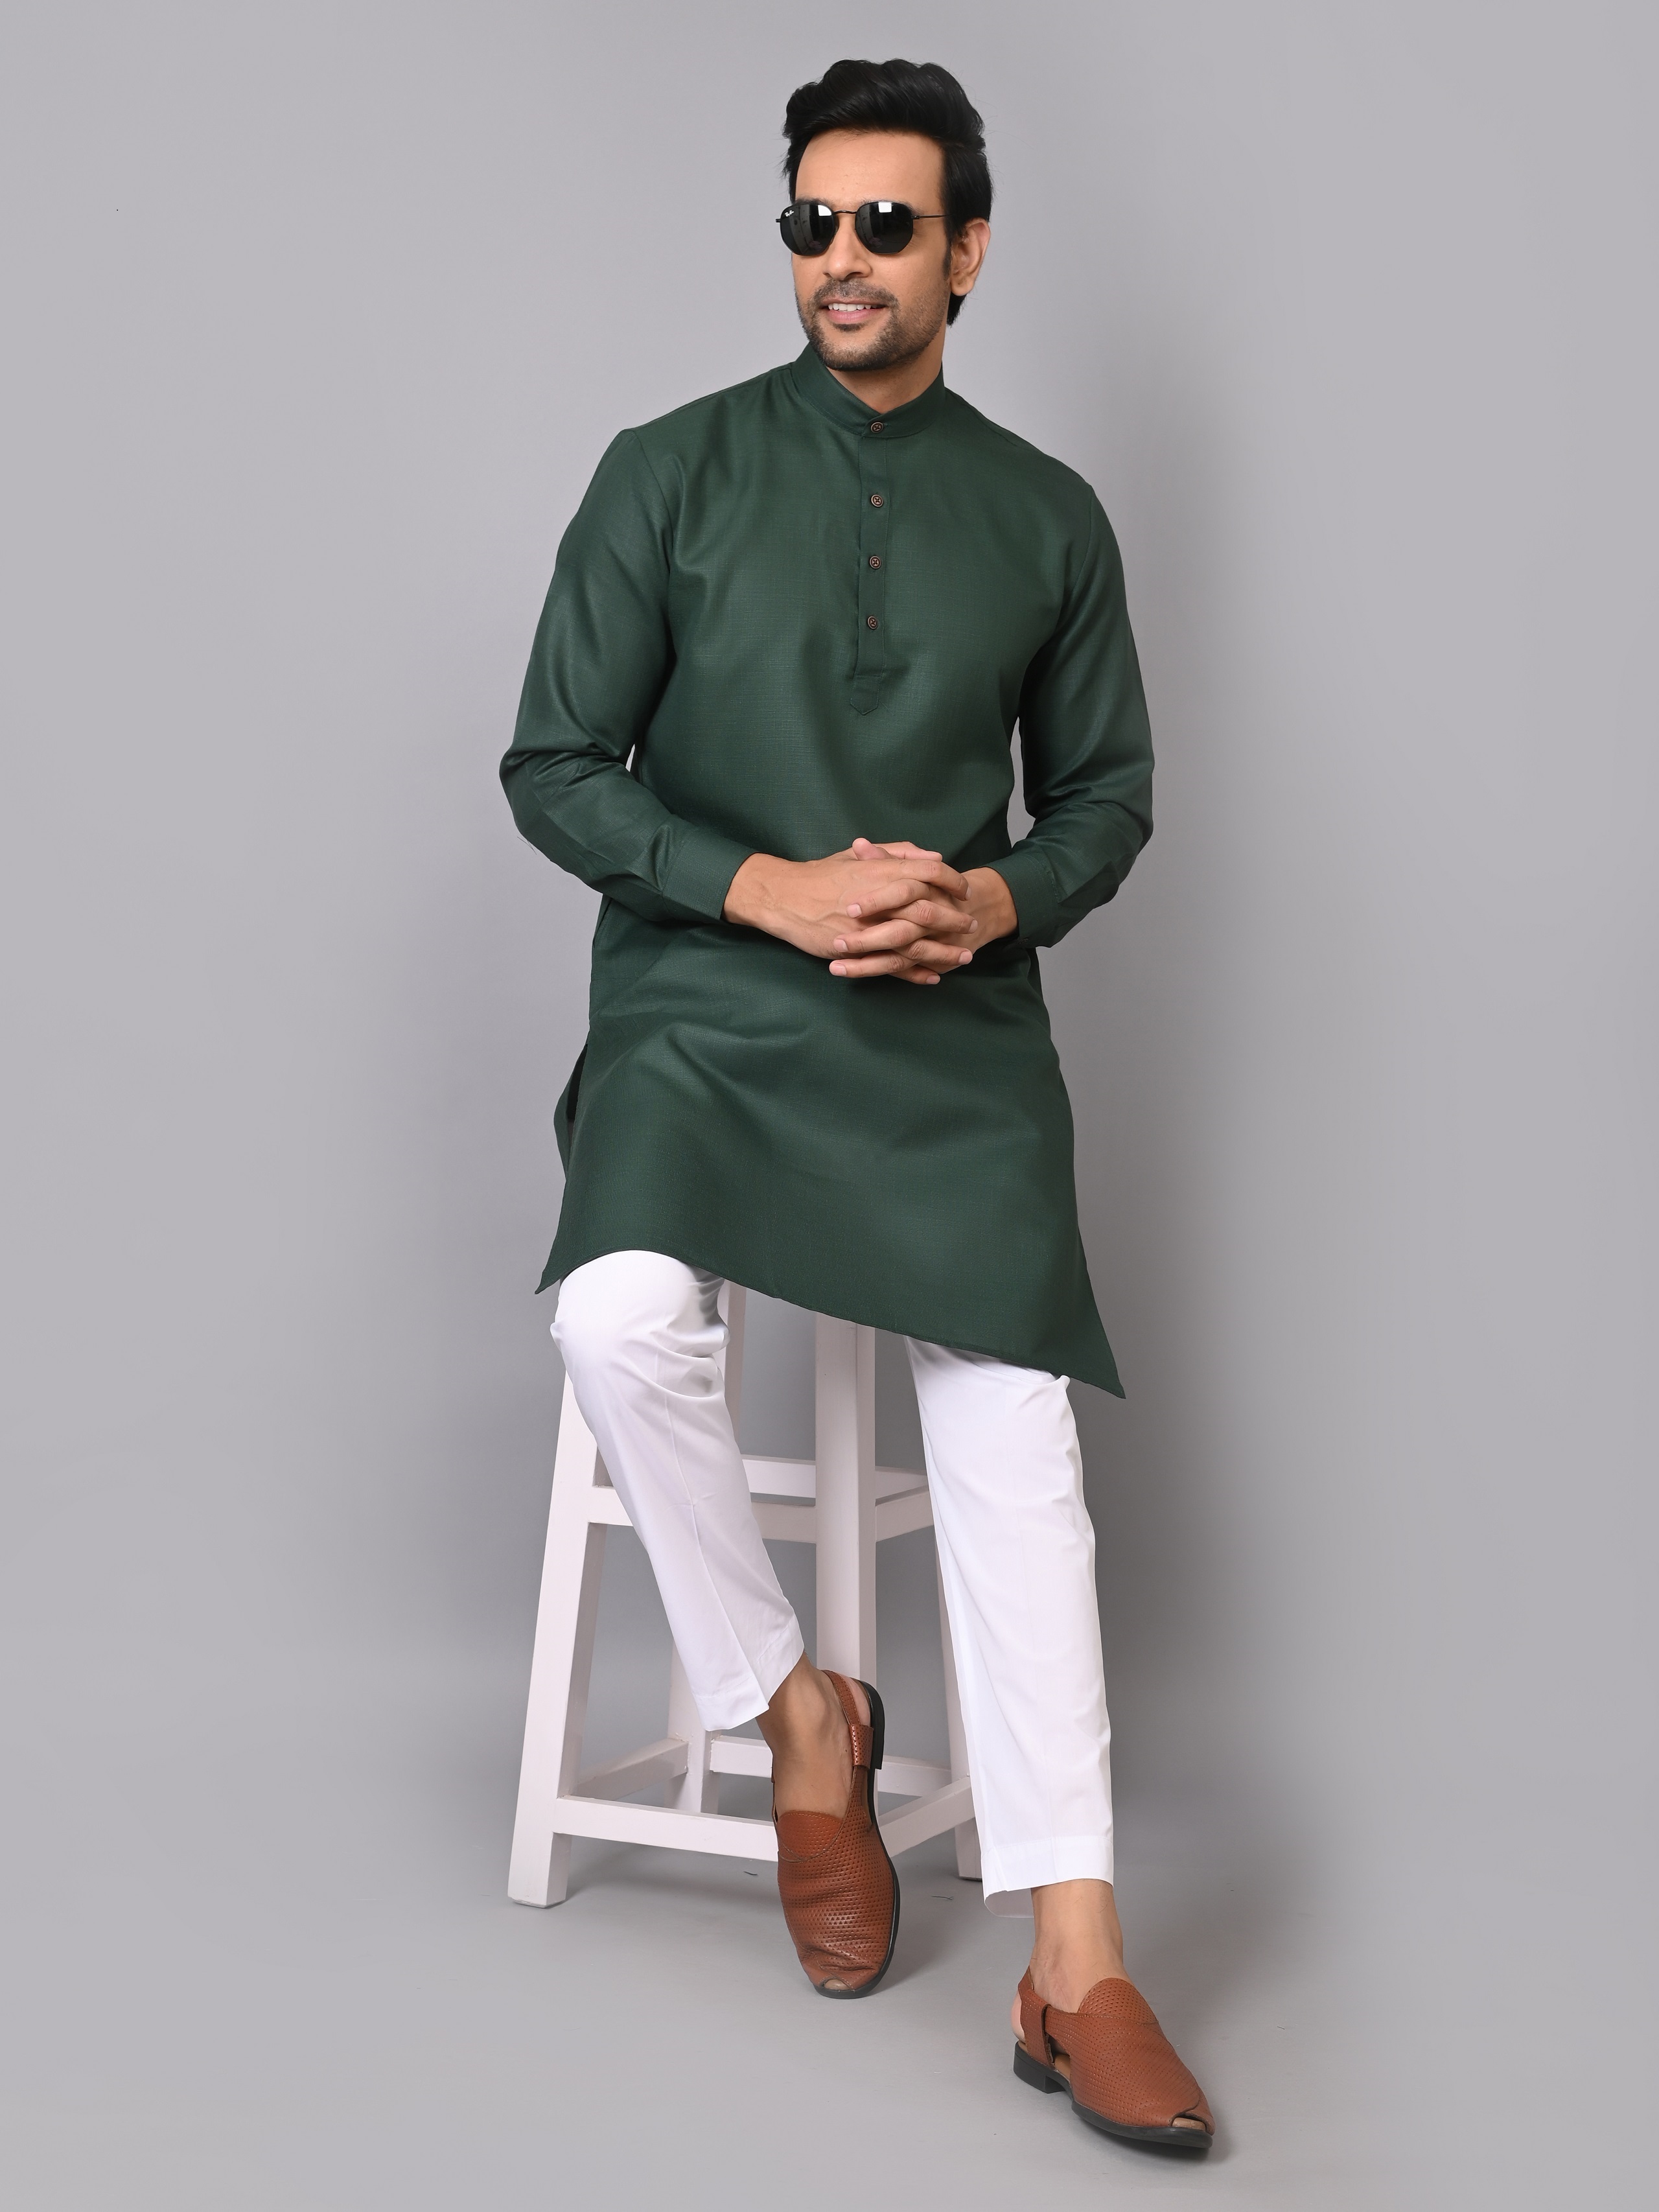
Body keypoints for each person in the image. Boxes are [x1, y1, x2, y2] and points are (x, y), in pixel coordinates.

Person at [500, 57, 1213, 2152]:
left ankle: (1076, 1954)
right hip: (707, 1007)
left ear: (968, 251)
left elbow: (1108, 799)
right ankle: (799, 1713)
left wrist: (990, 902)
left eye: (885, 225)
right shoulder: (669, 473)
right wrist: (763, 891)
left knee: (1011, 1421)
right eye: (811, 223)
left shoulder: (1048, 516)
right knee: (614, 1315)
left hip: (944, 1032)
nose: (841, 259)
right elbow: (556, 766)